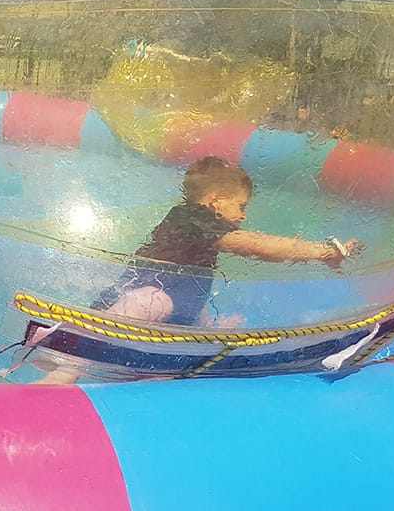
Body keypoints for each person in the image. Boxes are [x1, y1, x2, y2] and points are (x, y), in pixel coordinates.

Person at [34, 155, 362, 384]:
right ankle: (67, 367)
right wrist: (322, 252)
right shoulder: (190, 215)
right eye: (241, 206)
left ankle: (147, 381)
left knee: (171, 362)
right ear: (215, 200)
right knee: (148, 302)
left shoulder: (204, 231)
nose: (244, 215)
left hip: (176, 313)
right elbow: (255, 246)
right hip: (144, 301)